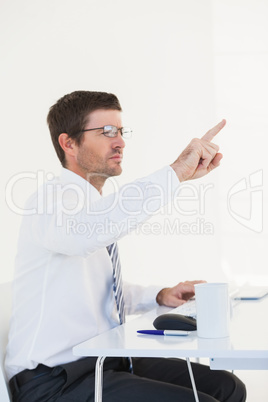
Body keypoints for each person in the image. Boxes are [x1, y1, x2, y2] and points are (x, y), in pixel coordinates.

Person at [5, 91, 246, 402]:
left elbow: (100, 290)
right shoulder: (50, 202)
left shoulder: (93, 208)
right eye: (106, 132)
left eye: (120, 131)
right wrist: (175, 173)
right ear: (69, 144)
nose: (119, 141)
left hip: (104, 363)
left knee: (226, 387)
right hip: (55, 381)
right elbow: (89, 232)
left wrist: (159, 295)